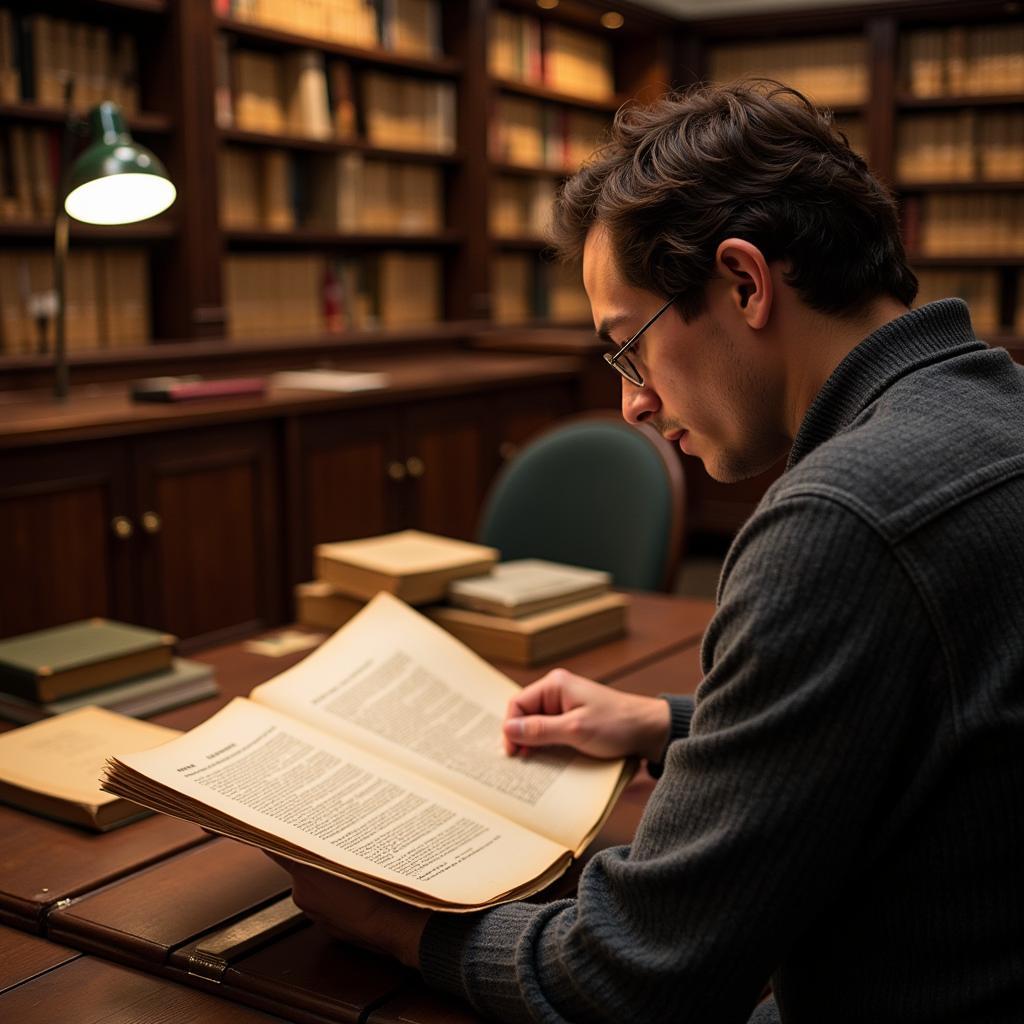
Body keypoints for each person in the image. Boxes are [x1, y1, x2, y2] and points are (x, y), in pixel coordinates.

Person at [273, 81, 1024, 1023]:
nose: (632, 401)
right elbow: (938, 722)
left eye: (629, 347)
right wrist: (669, 725)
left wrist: (401, 925)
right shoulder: (999, 411)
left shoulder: (839, 520)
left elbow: (638, 977)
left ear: (745, 283)